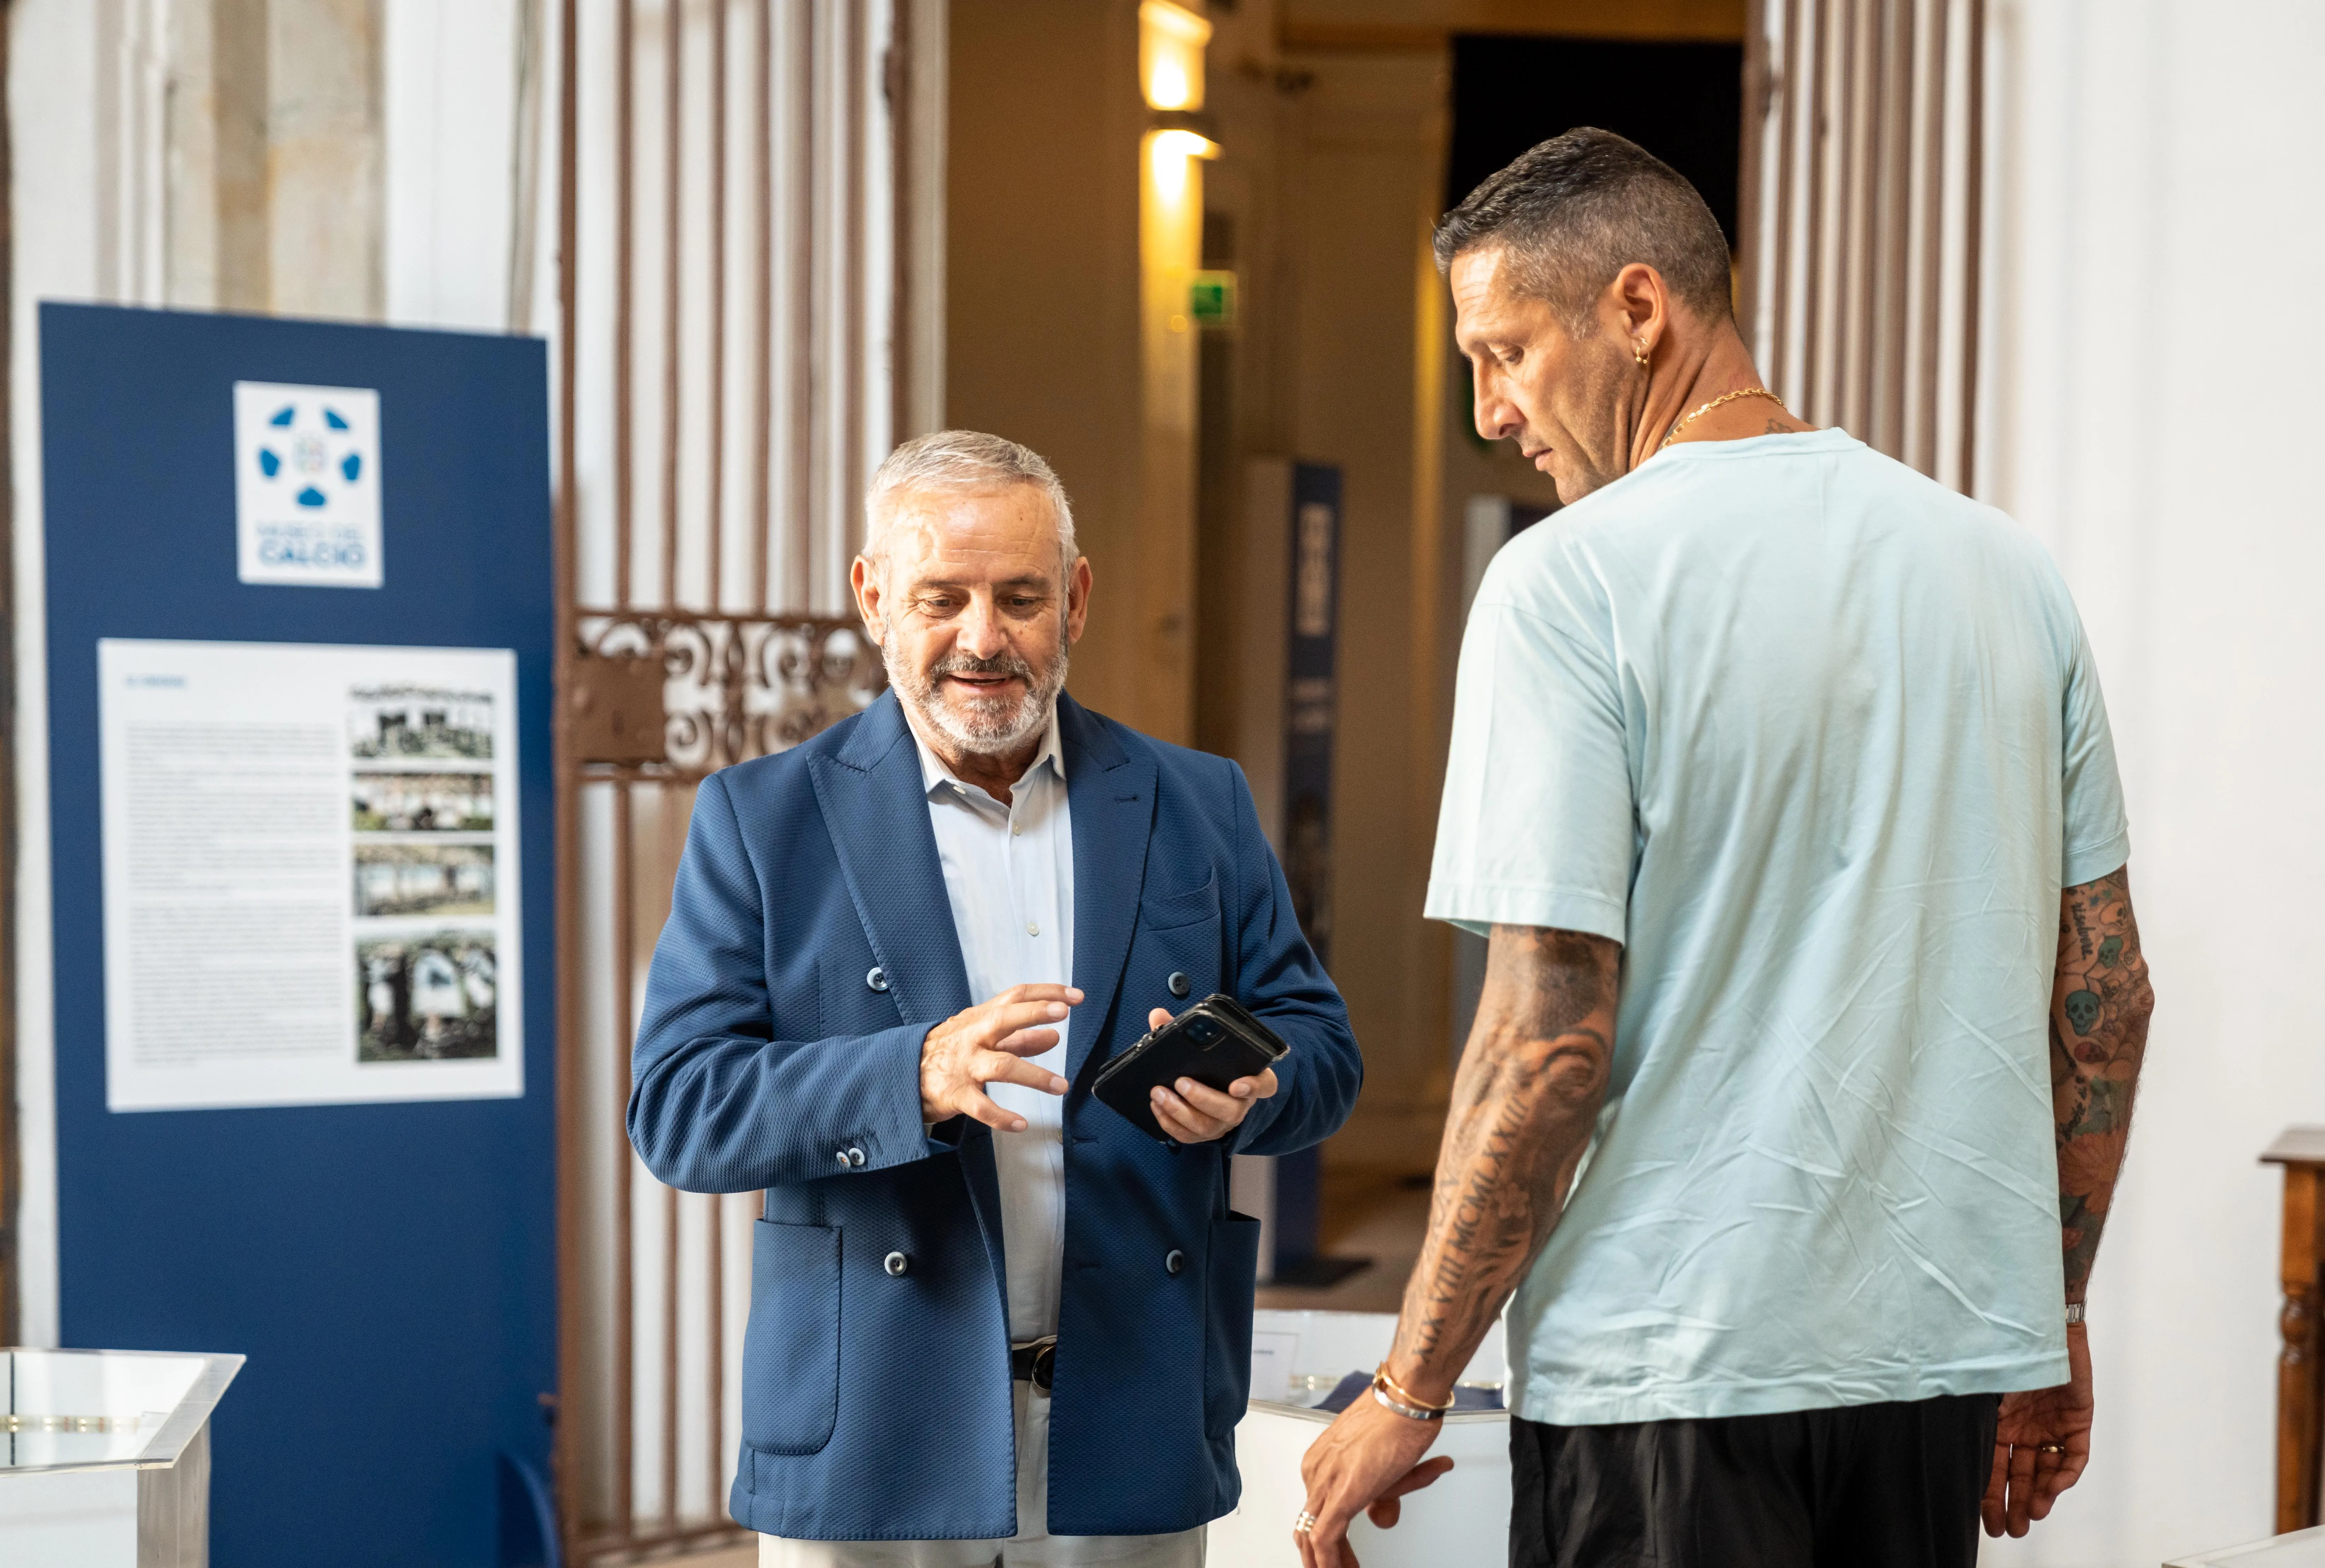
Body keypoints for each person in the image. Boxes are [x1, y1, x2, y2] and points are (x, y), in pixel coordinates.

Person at [1294, 128, 2155, 1568]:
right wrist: (2046, 1310)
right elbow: (2107, 997)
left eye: (1504, 352)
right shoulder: (2000, 566)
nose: (1489, 410)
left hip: (1666, 1373)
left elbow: (1547, 1044)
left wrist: (1408, 1384)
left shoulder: (1568, 585)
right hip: (1936, 1363)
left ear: (1637, 310)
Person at [630, 429, 1361, 1567]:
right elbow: (678, 1110)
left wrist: (1259, 1092)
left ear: (1074, 601)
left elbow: (1323, 1050)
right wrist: (911, 1075)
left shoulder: (1197, 802)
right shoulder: (762, 820)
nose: (983, 639)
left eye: (1019, 597)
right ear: (874, 599)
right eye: (942, 598)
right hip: (875, 1427)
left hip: (1133, 1413)